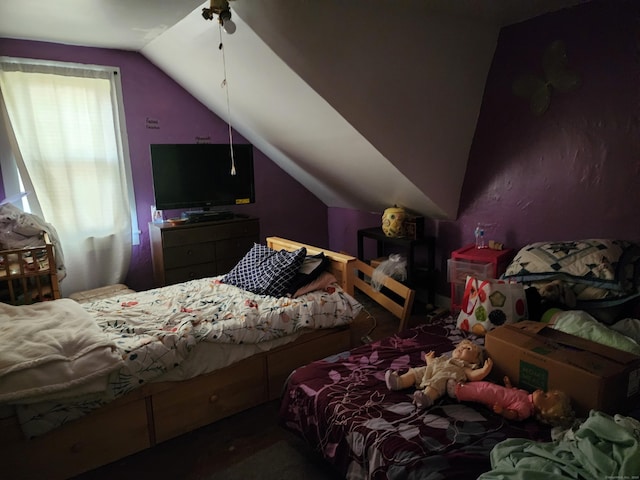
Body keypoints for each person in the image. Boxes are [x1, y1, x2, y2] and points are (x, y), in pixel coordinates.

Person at [385, 339, 493, 408]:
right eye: (460, 346)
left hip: (444, 377)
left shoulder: (464, 367)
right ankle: (399, 382)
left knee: (437, 382)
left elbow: (473, 376)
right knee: (416, 372)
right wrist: (429, 359)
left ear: (474, 361)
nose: (462, 348)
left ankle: (426, 398)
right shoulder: (446, 359)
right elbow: (433, 365)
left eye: (468, 349)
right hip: (431, 370)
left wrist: (484, 370)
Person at [448, 376, 574, 428]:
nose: (541, 391)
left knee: (480, 393)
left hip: (496, 398)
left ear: (542, 408)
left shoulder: (525, 408)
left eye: (545, 396)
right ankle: (463, 385)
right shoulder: (526, 395)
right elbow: (514, 393)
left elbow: (514, 414)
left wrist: (503, 411)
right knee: (483, 385)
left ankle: (457, 392)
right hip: (499, 390)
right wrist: (508, 385)